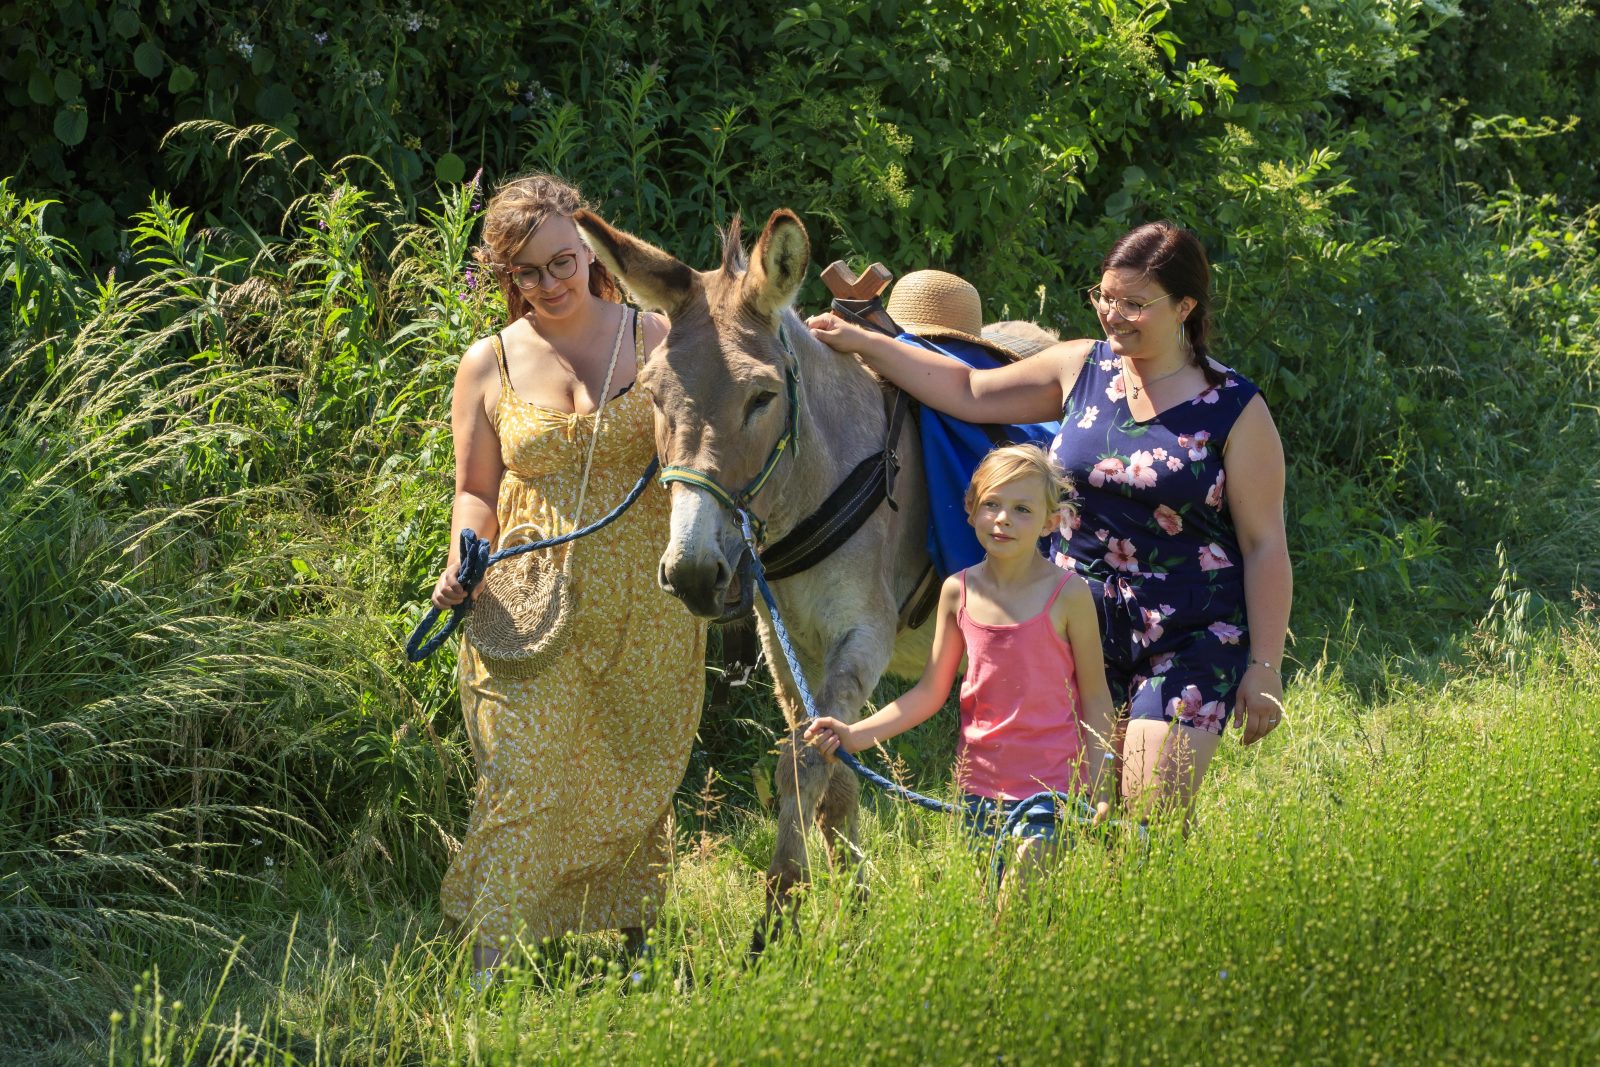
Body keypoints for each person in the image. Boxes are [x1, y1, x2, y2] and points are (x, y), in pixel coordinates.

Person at [807, 222, 1292, 828]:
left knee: (1145, 821)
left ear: (1185, 307)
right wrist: (864, 343)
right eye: (1106, 297)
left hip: (1187, 635)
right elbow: (971, 390)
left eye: (1135, 303)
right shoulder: (1081, 368)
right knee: (1065, 819)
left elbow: (1264, 541)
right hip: (1069, 628)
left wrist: (1264, 667)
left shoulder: (1234, 408)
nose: (1114, 315)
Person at [430, 174, 705, 973]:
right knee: (523, 772)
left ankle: (636, 943)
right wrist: (462, 559)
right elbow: (475, 490)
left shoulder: (656, 339)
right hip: (526, 597)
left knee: (631, 765)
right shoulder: (486, 364)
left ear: (592, 251)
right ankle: (488, 968)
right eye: (524, 272)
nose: (547, 285)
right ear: (504, 275)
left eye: (560, 262)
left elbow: (698, 453)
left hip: (646, 600)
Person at [805, 445, 1117, 885]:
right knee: (991, 915)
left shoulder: (1069, 594)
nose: (1003, 519)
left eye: (1022, 509)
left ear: (1050, 521)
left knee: (1018, 897)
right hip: (977, 792)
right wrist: (855, 735)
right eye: (991, 504)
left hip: (1053, 791)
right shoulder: (958, 592)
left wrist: (1102, 784)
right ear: (970, 510)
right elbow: (930, 691)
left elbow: (1096, 695)